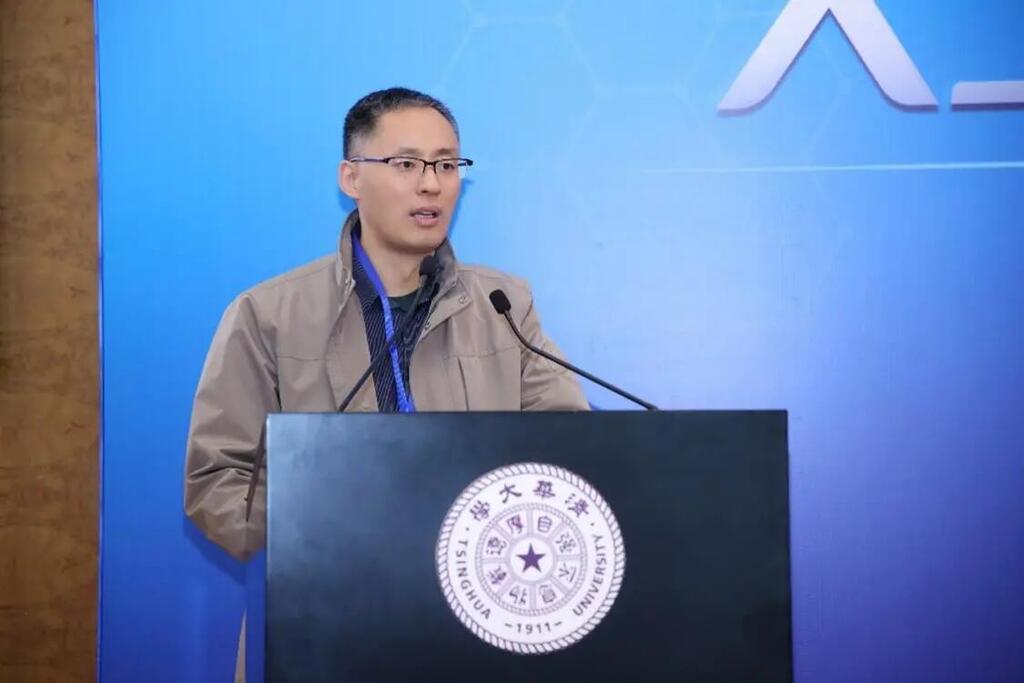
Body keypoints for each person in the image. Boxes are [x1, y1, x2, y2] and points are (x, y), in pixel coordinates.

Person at [184, 87, 589, 563]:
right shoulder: (269, 314)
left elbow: (573, 451)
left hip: (477, 595)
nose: (431, 184)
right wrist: (331, 523)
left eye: (446, 165)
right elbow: (216, 482)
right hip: (330, 603)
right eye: (406, 164)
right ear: (351, 178)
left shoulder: (503, 307)